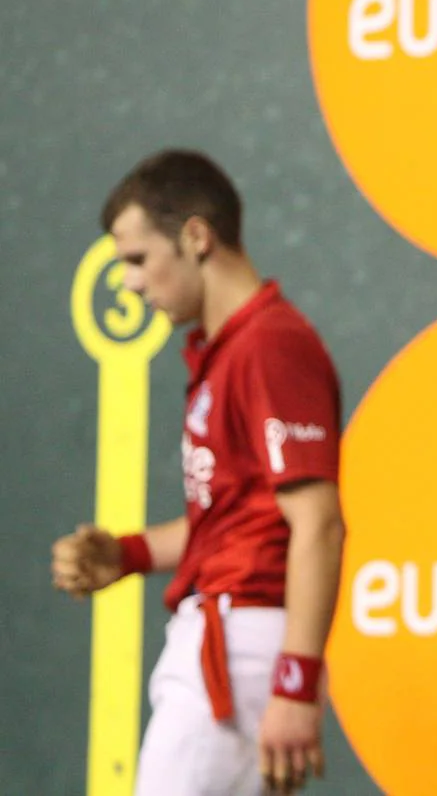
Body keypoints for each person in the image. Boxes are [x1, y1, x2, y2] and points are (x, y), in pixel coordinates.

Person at [51, 150, 346, 795]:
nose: (130, 283)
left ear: (195, 237)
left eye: (136, 259)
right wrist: (127, 553)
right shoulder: (231, 348)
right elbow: (239, 519)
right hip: (228, 638)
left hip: (243, 645)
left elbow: (318, 523)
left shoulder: (271, 344)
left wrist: (294, 681)